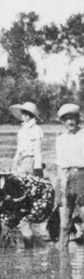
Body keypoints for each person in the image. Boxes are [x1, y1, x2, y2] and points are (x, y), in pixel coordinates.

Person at [55, 103, 84, 246]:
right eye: (66, 119)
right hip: (65, 179)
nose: (70, 122)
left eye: (72, 118)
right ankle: (63, 259)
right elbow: (60, 164)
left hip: (82, 177)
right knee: (64, 224)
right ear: (63, 122)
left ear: (78, 119)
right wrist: (61, 183)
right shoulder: (60, 139)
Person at [9, 101, 44, 175]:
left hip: (30, 160)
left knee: (28, 180)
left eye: (26, 114)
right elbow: (19, 148)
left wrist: (38, 167)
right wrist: (15, 161)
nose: (24, 116)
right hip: (21, 159)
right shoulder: (22, 130)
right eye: (23, 113)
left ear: (30, 115)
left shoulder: (36, 129)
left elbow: (37, 150)